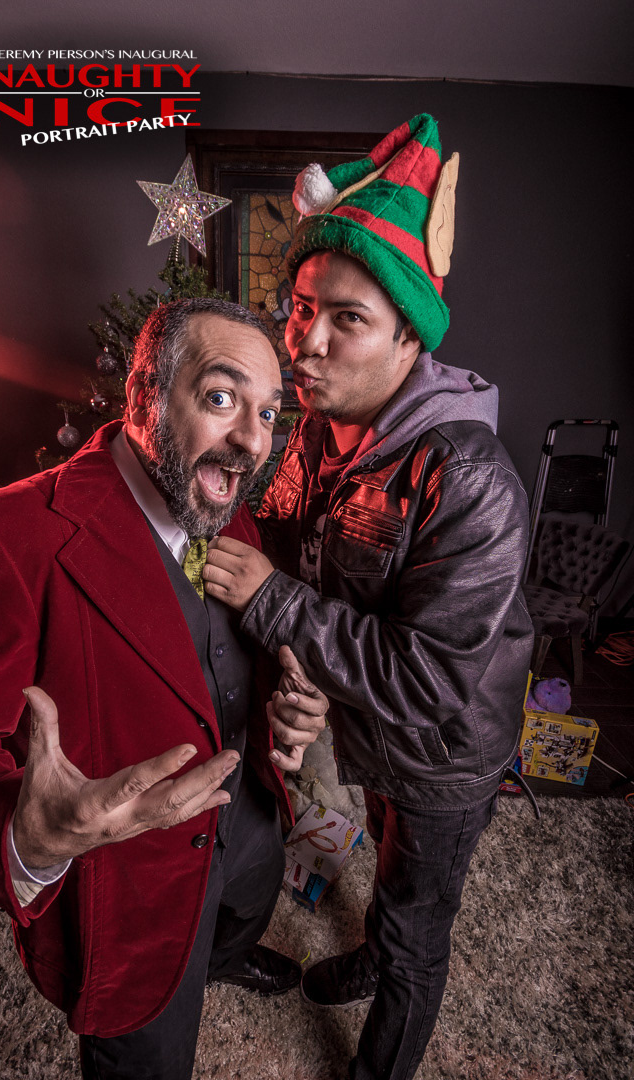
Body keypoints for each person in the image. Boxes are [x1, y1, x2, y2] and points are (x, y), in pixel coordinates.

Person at [0, 297, 328, 1080]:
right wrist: (30, 839)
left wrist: (289, 701)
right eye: (221, 396)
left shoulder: (229, 510)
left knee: (240, 911)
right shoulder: (4, 539)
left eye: (270, 413)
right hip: (134, 890)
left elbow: (229, 656)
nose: (252, 440)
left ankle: (221, 957)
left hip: (250, 822)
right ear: (144, 398)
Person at [202, 114, 534, 1080]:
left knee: (418, 921)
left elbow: (428, 678)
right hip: (371, 732)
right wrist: (301, 675)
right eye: (303, 306)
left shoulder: (469, 478)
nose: (306, 341)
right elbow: (305, 559)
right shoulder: (319, 431)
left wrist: (274, 605)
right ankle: (374, 953)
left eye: (347, 318)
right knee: (384, 851)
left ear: (408, 338)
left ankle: (387, 1005)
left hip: (443, 751)